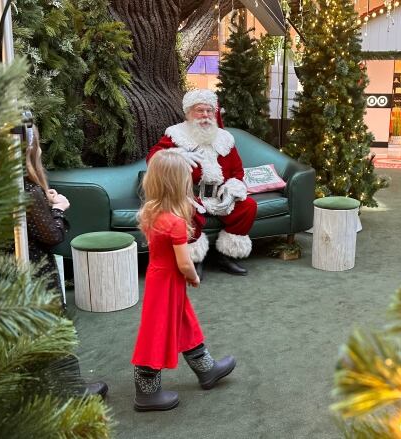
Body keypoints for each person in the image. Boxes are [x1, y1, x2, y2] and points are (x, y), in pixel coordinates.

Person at [132, 150, 236, 412]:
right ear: (180, 184)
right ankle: (146, 391)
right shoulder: (176, 222)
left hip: (160, 279)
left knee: (184, 321)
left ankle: (206, 369)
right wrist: (193, 277)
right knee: (156, 331)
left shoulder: (150, 213)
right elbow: (184, 262)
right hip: (169, 281)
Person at [23, 125, 108, 398]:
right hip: (35, 271)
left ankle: (34, 390)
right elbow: (51, 235)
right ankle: (70, 390)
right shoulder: (28, 190)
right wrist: (59, 209)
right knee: (53, 326)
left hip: (8, 268)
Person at [146, 89, 257, 278]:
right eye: (200, 110)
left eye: (209, 111)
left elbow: (237, 171)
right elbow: (153, 158)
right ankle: (193, 259)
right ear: (189, 113)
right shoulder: (175, 135)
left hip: (219, 194)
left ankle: (226, 256)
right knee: (185, 210)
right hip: (190, 194)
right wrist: (178, 155)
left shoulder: (225, 138)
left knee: (247, 206)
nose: (205, 115)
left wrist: (231, 190)